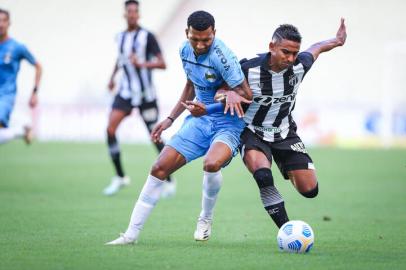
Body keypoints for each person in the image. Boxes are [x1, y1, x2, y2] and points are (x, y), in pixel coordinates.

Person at [106, 10, 252, 245]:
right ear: (187, 33)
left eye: (207, 39)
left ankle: (205, 218)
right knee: (159, 168)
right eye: (195, 39)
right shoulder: (184, 50)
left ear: (214, 33)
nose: (201, 44)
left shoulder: (222, 56)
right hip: (198, 120)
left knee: (211, 163)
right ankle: (130, 235)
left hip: (227, 122)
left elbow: (247, 95)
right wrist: (170, 119)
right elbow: (190, 85)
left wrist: (213, 106)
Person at [186, 19, 347, 228]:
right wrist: (227, 95)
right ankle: (287, 230)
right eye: (285, 52)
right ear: (272, 47)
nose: (290, 58)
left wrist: (337, 40)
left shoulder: (300, 64)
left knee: (310, 190)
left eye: (294, 53)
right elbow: (219, 92)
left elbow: (316, 48)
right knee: (262, 175)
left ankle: (284, 162)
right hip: (251, 131)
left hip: (285, 132)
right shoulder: (247, 68)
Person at [103, 0, 175, 197]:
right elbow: (120, 59)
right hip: (125, 93)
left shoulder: (147, 36)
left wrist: (141, 64)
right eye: (129, 12)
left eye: (135, 11)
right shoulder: (120, 37)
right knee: (110, 129)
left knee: (154, 135)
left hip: (145, 95)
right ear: (125, 14)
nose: (133, 15)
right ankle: (120, 177)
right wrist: (111, 78)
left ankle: (169, 180)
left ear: (139, 15)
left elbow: (162, 63)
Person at [0, 8, 42, 145]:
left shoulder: (17, 47)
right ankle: (22, 129)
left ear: (8, 23)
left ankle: (21, 130)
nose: (0, 24)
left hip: (6, 95)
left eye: (3, 21)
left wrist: (35, 92)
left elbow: (38, 66)